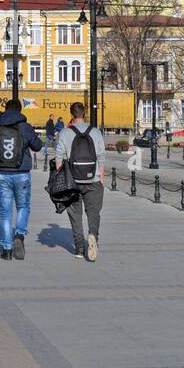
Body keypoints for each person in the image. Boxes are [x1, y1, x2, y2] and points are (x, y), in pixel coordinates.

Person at [0, 98, 43, 260]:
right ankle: (20, 235)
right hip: (22, 173)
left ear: (6, 109)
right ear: (20, 111)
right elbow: (38, 146)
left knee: (5, 212)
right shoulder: (25, 127)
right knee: (23, 206)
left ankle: (7, 250)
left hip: (1, 173)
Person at [55, 102, 105, 261]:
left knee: (75, 215)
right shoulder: (96, 132)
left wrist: (60, 177)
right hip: (93, 178)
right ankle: (93, 236)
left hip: (72, 181)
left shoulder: (65, 132)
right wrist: (101, 178)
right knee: (93, 211)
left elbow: (59, 158)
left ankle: (78, 248)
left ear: (71, 114)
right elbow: (101, 157)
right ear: (84, 114)